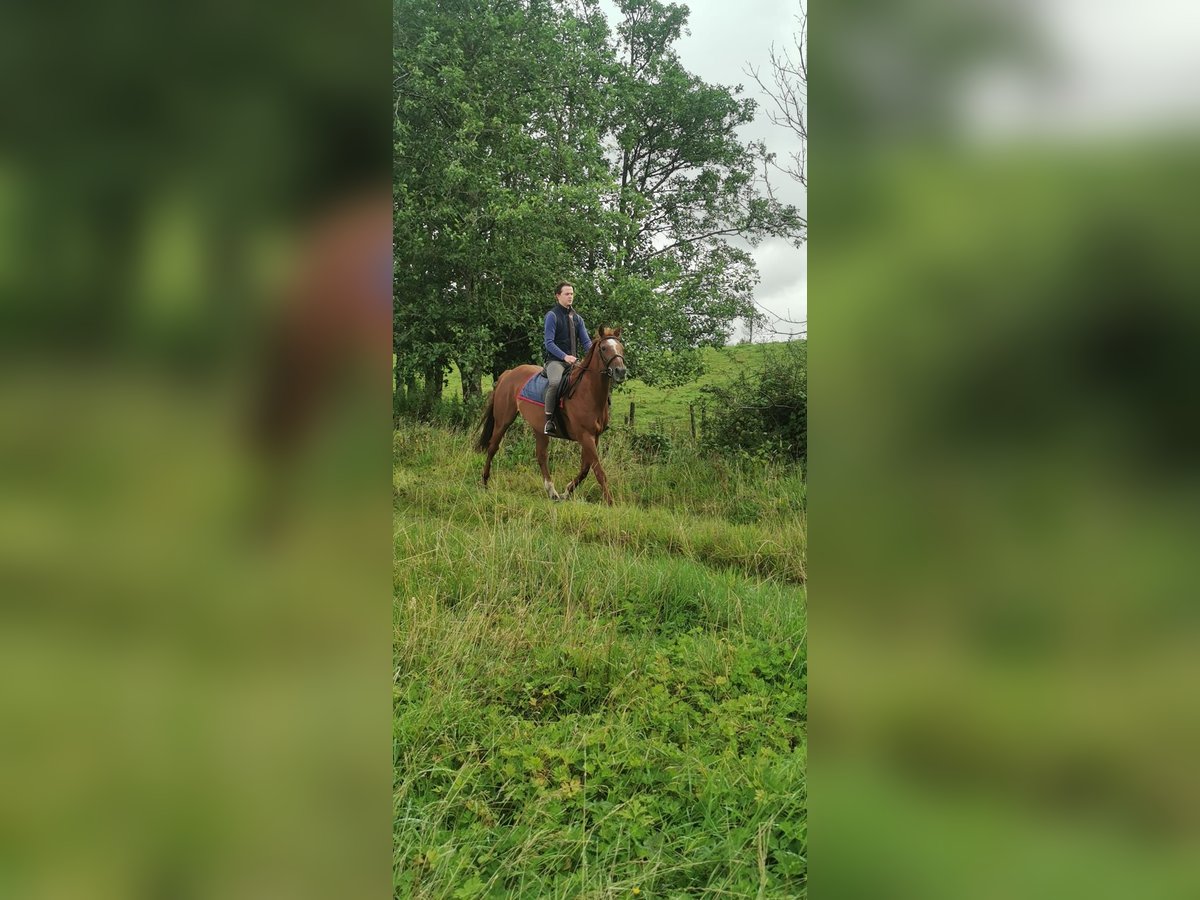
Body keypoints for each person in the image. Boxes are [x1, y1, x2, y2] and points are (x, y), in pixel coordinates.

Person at [542, 281, 592, 434]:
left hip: (574, 363)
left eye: (572, 294)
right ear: (558, 296)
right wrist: (565, 357)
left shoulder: (578, 319)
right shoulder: (552, 316)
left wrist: (595, 355)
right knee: (555, 383)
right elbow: (548, 343)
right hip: (555, 362)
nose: (570, 297)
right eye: (567, 294)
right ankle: (549, 421)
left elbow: (586, 342)